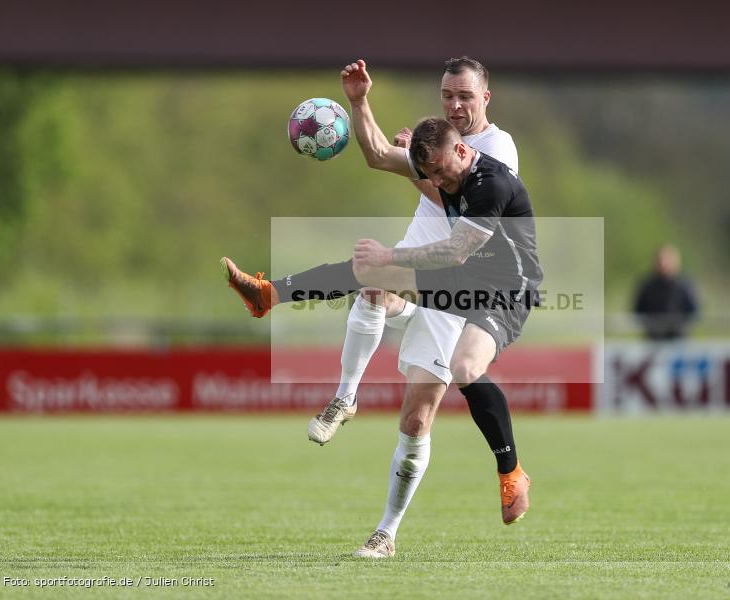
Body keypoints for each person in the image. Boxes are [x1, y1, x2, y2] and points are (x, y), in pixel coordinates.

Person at [221, 113, 542, 558]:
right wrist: (358, 100)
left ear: (465, 151)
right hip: (461, 279)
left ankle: (511, 472)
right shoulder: (444, 161)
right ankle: (268, 295)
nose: (438, 184)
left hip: (505, 291)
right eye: (428, 176)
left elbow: (456, 248)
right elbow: (379, 156)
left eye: (442, 174)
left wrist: (392, 253)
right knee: (371, 278)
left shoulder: (493, 180)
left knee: (465, 367)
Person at [303, 57, 521, 558]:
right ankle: (345, 398)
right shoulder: (437, 139)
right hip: (419, 272)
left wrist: (419, 167)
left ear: (485, 97)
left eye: (465, 95)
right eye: (448, 95)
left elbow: (455, 205)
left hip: (460, 290)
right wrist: (359, 103)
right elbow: (377, 154)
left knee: (416, 420)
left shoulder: (497, 148)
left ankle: (387, 532)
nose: (455, 105)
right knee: (372, 289)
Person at [633, 244, 699, 340]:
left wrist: (679, 324)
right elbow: (638, 311)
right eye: (661, 260)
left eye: (667, 260)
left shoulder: (684, 285)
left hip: (678, 339)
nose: (663, 264)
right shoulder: (647, 285)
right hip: (653, 340)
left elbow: (694, 311)